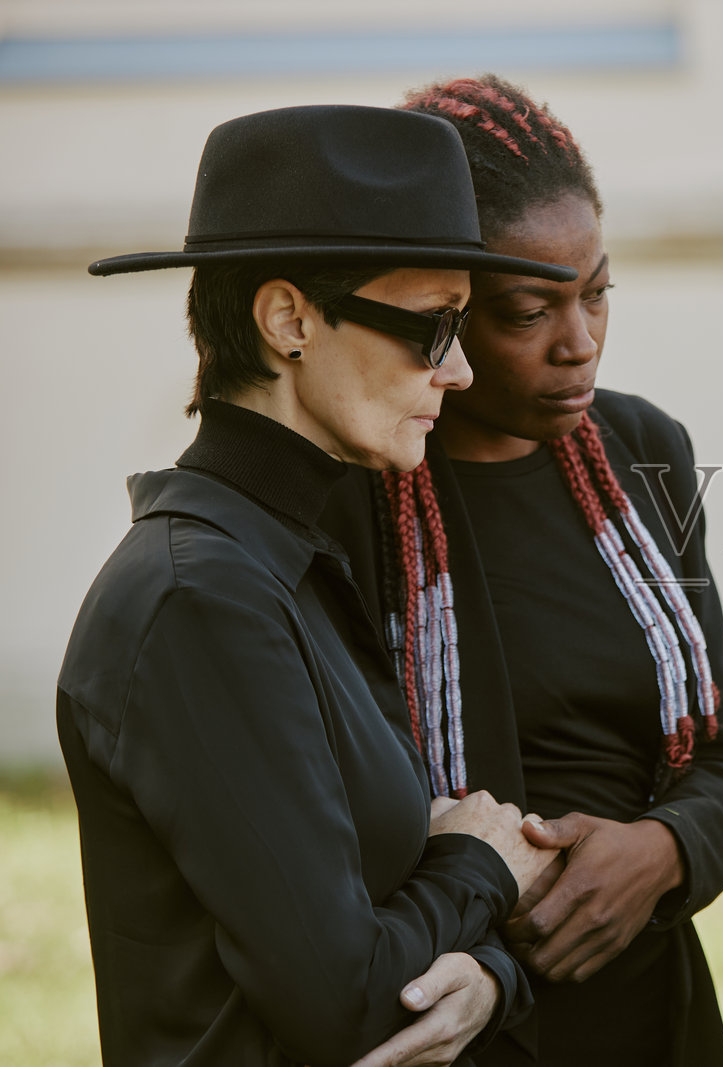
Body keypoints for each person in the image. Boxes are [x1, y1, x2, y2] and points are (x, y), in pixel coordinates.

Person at [56, 104, 581, 1066]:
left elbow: (378, 933)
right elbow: (345, 1002)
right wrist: (481, 866)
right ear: (289, 320)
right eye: (432, 328)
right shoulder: (200, 598)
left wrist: (491, 978)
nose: (459, 369)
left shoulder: (277, 556)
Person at [320, 76, 723, 1067]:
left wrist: (665, 852)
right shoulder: (353, 493)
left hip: (648, 1011)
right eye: (530, 310)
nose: (581, 342)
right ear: (447, 307)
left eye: (597, 291)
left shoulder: (645, 449)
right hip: (443, 1010)